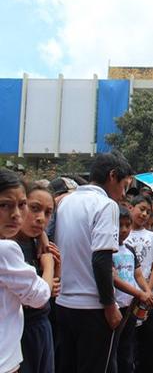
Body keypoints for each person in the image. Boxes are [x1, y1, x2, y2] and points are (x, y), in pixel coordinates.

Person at [55, 152, 133, 373]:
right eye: (124, 186)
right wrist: (109, 305)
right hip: (93, 307)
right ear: (112, 176)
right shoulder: (106, 205)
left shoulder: (66, 202)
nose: (123, 194)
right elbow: (101, 259)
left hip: (64, 303)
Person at [0, 169, 52, 373]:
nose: (16, 214)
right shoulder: (7, 249)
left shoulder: (32, 244)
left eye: (21, 205)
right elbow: (40, 296)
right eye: (4, 205)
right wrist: (49, 266)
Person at [13, 183, 61, 373]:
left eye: (48, 213)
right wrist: (48, 266)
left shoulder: (38, 244)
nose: (41, 218)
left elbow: (53, 290)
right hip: (19, 333)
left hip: (42, 328)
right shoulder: (9, 248)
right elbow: (35, 299)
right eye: (34, 208)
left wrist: (56, 268)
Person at [124, 195, 153, 373]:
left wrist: (148, 291)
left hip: (150, 297)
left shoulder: (152, 236)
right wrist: (139, 292)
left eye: (148, 212)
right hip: (127, 296)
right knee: (131, 344)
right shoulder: (123, 234)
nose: (144, 214)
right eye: (141, 209)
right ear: (130, 208)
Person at [112, 206, 153, 373]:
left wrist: (147, 291)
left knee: (127, 348)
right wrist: (140, 293)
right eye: (119, 225)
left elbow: (138, 275)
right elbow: (114, 279)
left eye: (127, 225)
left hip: (130, 307)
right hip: (114, 308)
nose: (123, 230)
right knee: (114, 349)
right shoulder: (107, 250)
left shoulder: (129, 249)